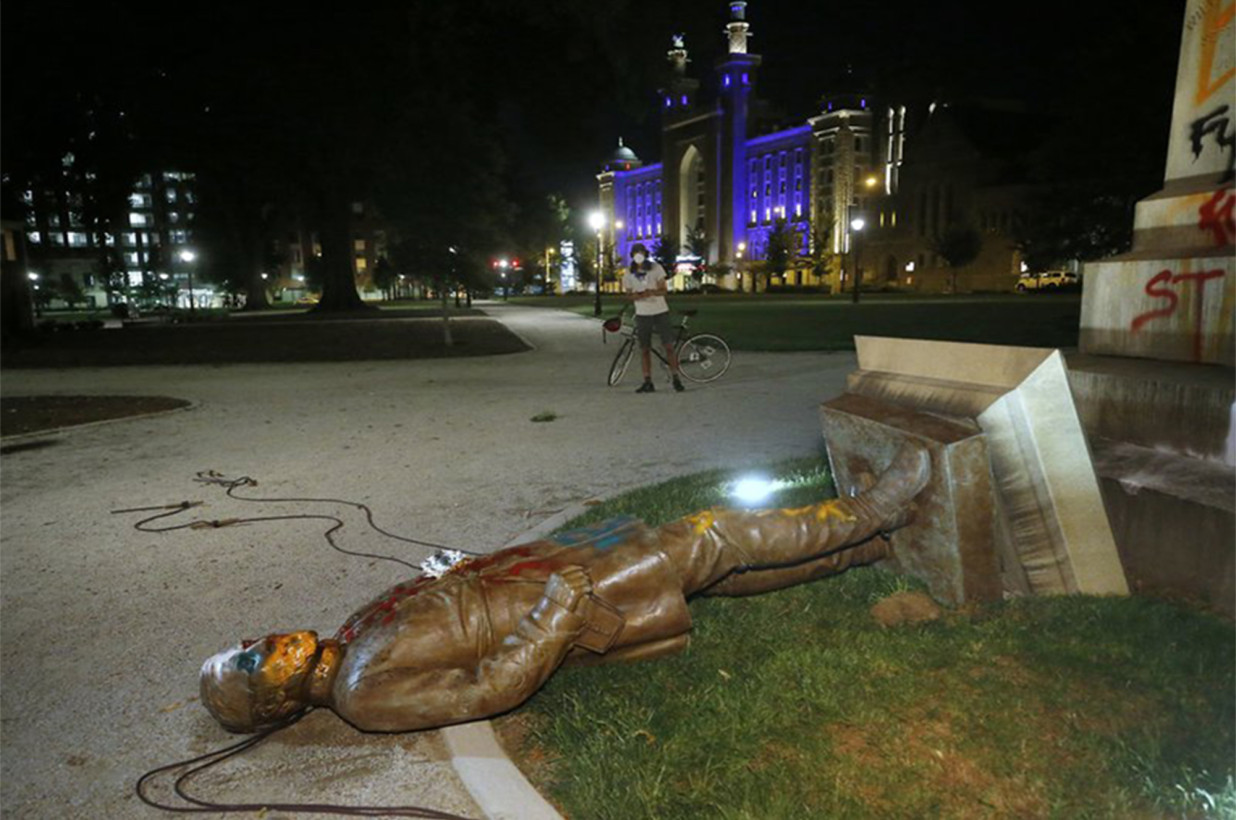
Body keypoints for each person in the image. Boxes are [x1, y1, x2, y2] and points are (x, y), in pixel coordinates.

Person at [201, 444, 931, 734]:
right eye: (246, 662)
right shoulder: (363, 695)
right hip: (566, 601)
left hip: (545, 573)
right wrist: (559, 610)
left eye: (242, 645)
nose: (253, 643)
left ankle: (861, 552)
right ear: (274, 701)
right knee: (711, 539)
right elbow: (489, 688)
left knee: (711, 573)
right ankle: (873, 513)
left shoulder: (350, 633)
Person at [621, 242, 683, 393]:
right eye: (636, 253)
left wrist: (652, 292)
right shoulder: (629, 273)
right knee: (645, 349)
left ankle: (676, 377)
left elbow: (663, 290)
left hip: (660, 311)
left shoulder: (656, 268)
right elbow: (628, 294)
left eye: (641, 252)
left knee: (668, 346)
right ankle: (647, 380)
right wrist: (635, 296)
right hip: (642, 313)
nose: (638, 256)